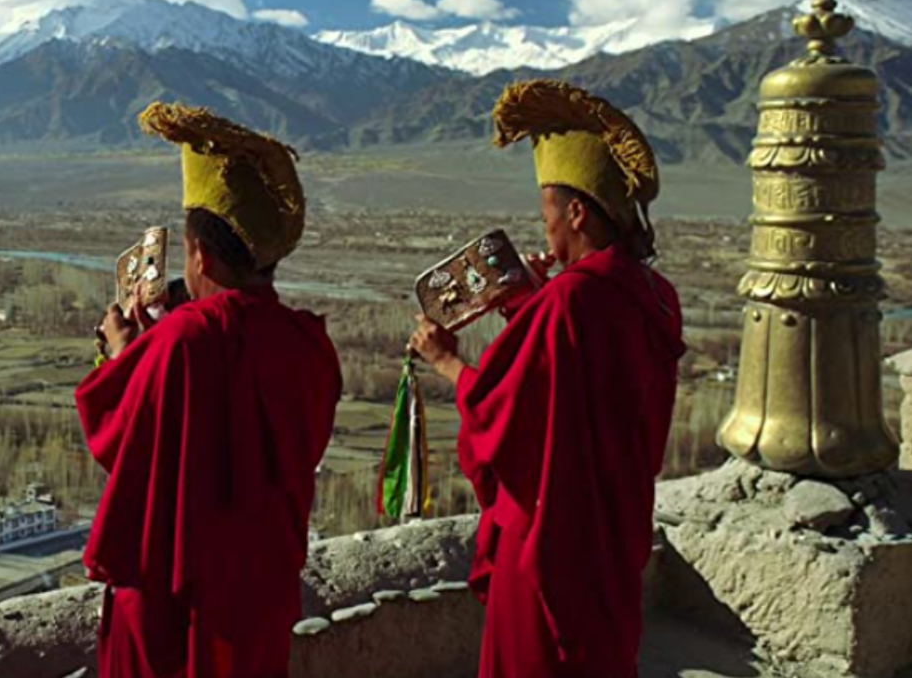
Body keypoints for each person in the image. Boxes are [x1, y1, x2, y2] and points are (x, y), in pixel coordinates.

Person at [409, 80, 686, 678]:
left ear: (579, 212)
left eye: (549, 215)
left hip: (552, 540)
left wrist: (445, 360)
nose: (547, 233)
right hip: (614, 534)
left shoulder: (569, 302)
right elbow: (580, 380)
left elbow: (504, 415)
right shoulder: (655, 294)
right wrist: (528, 305)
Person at [77, 103, 342, 678]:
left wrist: (124, 353)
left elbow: (120, 440)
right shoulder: (310, 343)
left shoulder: (182, 340)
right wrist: (152, 351)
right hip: (260, 599)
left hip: (176, 607)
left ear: (200, 253)